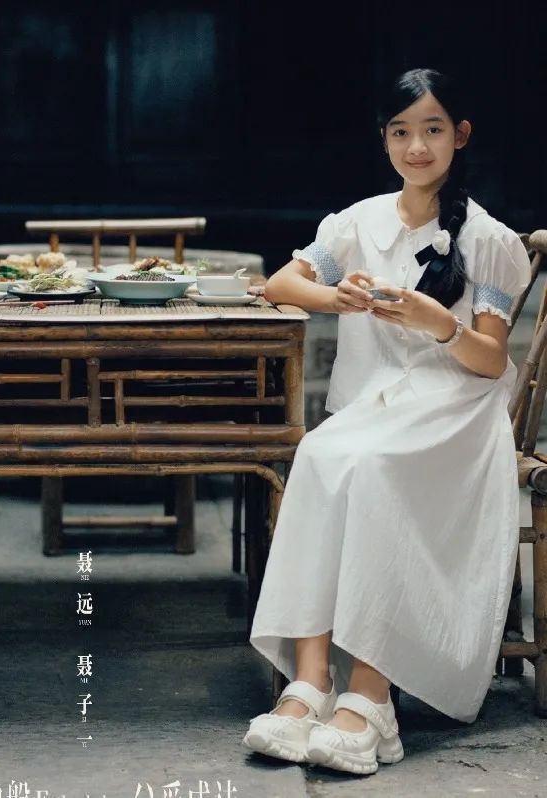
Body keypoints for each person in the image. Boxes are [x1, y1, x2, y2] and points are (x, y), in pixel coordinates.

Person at [242, 68, 530, 775]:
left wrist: (437, 322)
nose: (417, 146)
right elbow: (281, 283)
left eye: (433, 129)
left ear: (460, 135)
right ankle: (311, 683)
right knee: (319, 455)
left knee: (371, 470)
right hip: (375, 406)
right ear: (385, 139)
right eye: (401, 132)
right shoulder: (357, 222)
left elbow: (491, 361)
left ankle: (370, 698)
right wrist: (334, 297)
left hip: (454, 412)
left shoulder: (487, 238)